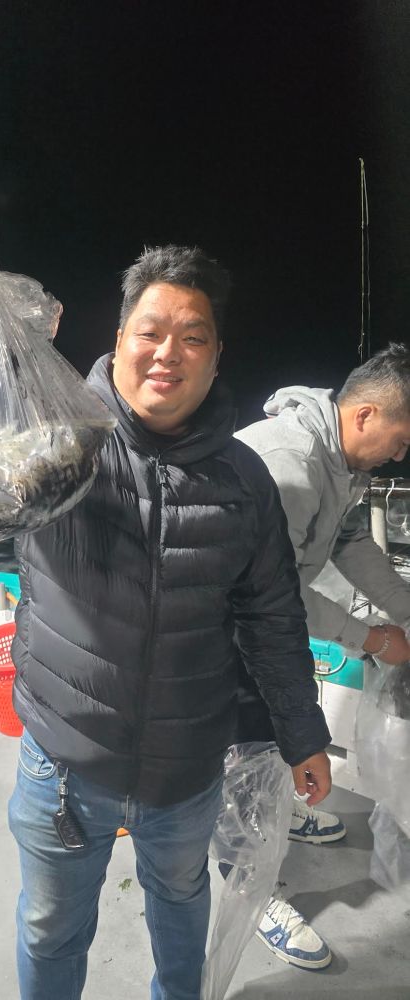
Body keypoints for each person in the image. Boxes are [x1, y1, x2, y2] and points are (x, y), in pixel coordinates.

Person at [0, 163, 332, 1000]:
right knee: (51, 929)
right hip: (63, 765)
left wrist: (303, 732)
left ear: (215, 356)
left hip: (187, 772)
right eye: (150, 329)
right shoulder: (58, 438)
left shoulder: (244, 481)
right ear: (120, 334)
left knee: (180, 906)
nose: (168, 351)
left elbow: (272, 615)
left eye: (192, 335)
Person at [234, 346, 410, 970]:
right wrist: (371, 639)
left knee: (280, 742)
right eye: (398, 439)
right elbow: (271, 592)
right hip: (227, 639)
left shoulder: (342, 464)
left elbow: (351, 541)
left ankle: (278, 820)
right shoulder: (292, 465)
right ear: (364, 416)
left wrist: (406, 611)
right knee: (241, 758)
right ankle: (248, 889)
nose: (399, 456)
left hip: (269, 630)